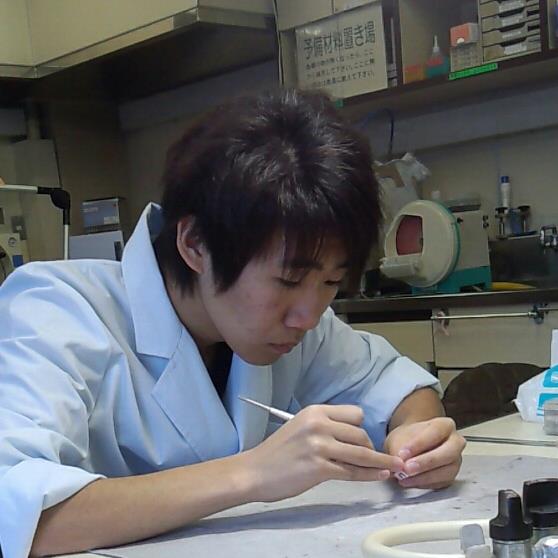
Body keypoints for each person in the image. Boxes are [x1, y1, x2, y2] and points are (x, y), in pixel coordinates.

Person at [0, 89, 465, 558]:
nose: (308, 316)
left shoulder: (297, 325)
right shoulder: (56, 309)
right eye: (288, 279)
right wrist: (254, 473)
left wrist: (418, 441)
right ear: (195, 244)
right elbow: (18, 515)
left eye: (331, 282)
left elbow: (399, 387)